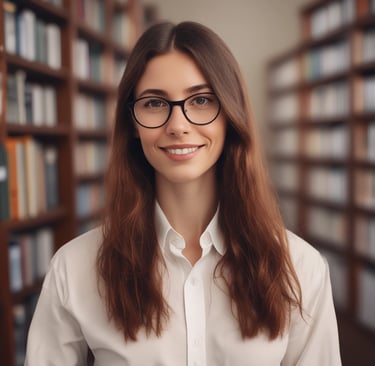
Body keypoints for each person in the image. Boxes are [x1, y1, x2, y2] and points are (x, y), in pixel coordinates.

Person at [25, 21, 342, 365]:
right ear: (131, 122)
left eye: (202, 99)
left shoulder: (300, 268)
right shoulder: (74, 268)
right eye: (154, 103)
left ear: (230, 115)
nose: (178, 125)